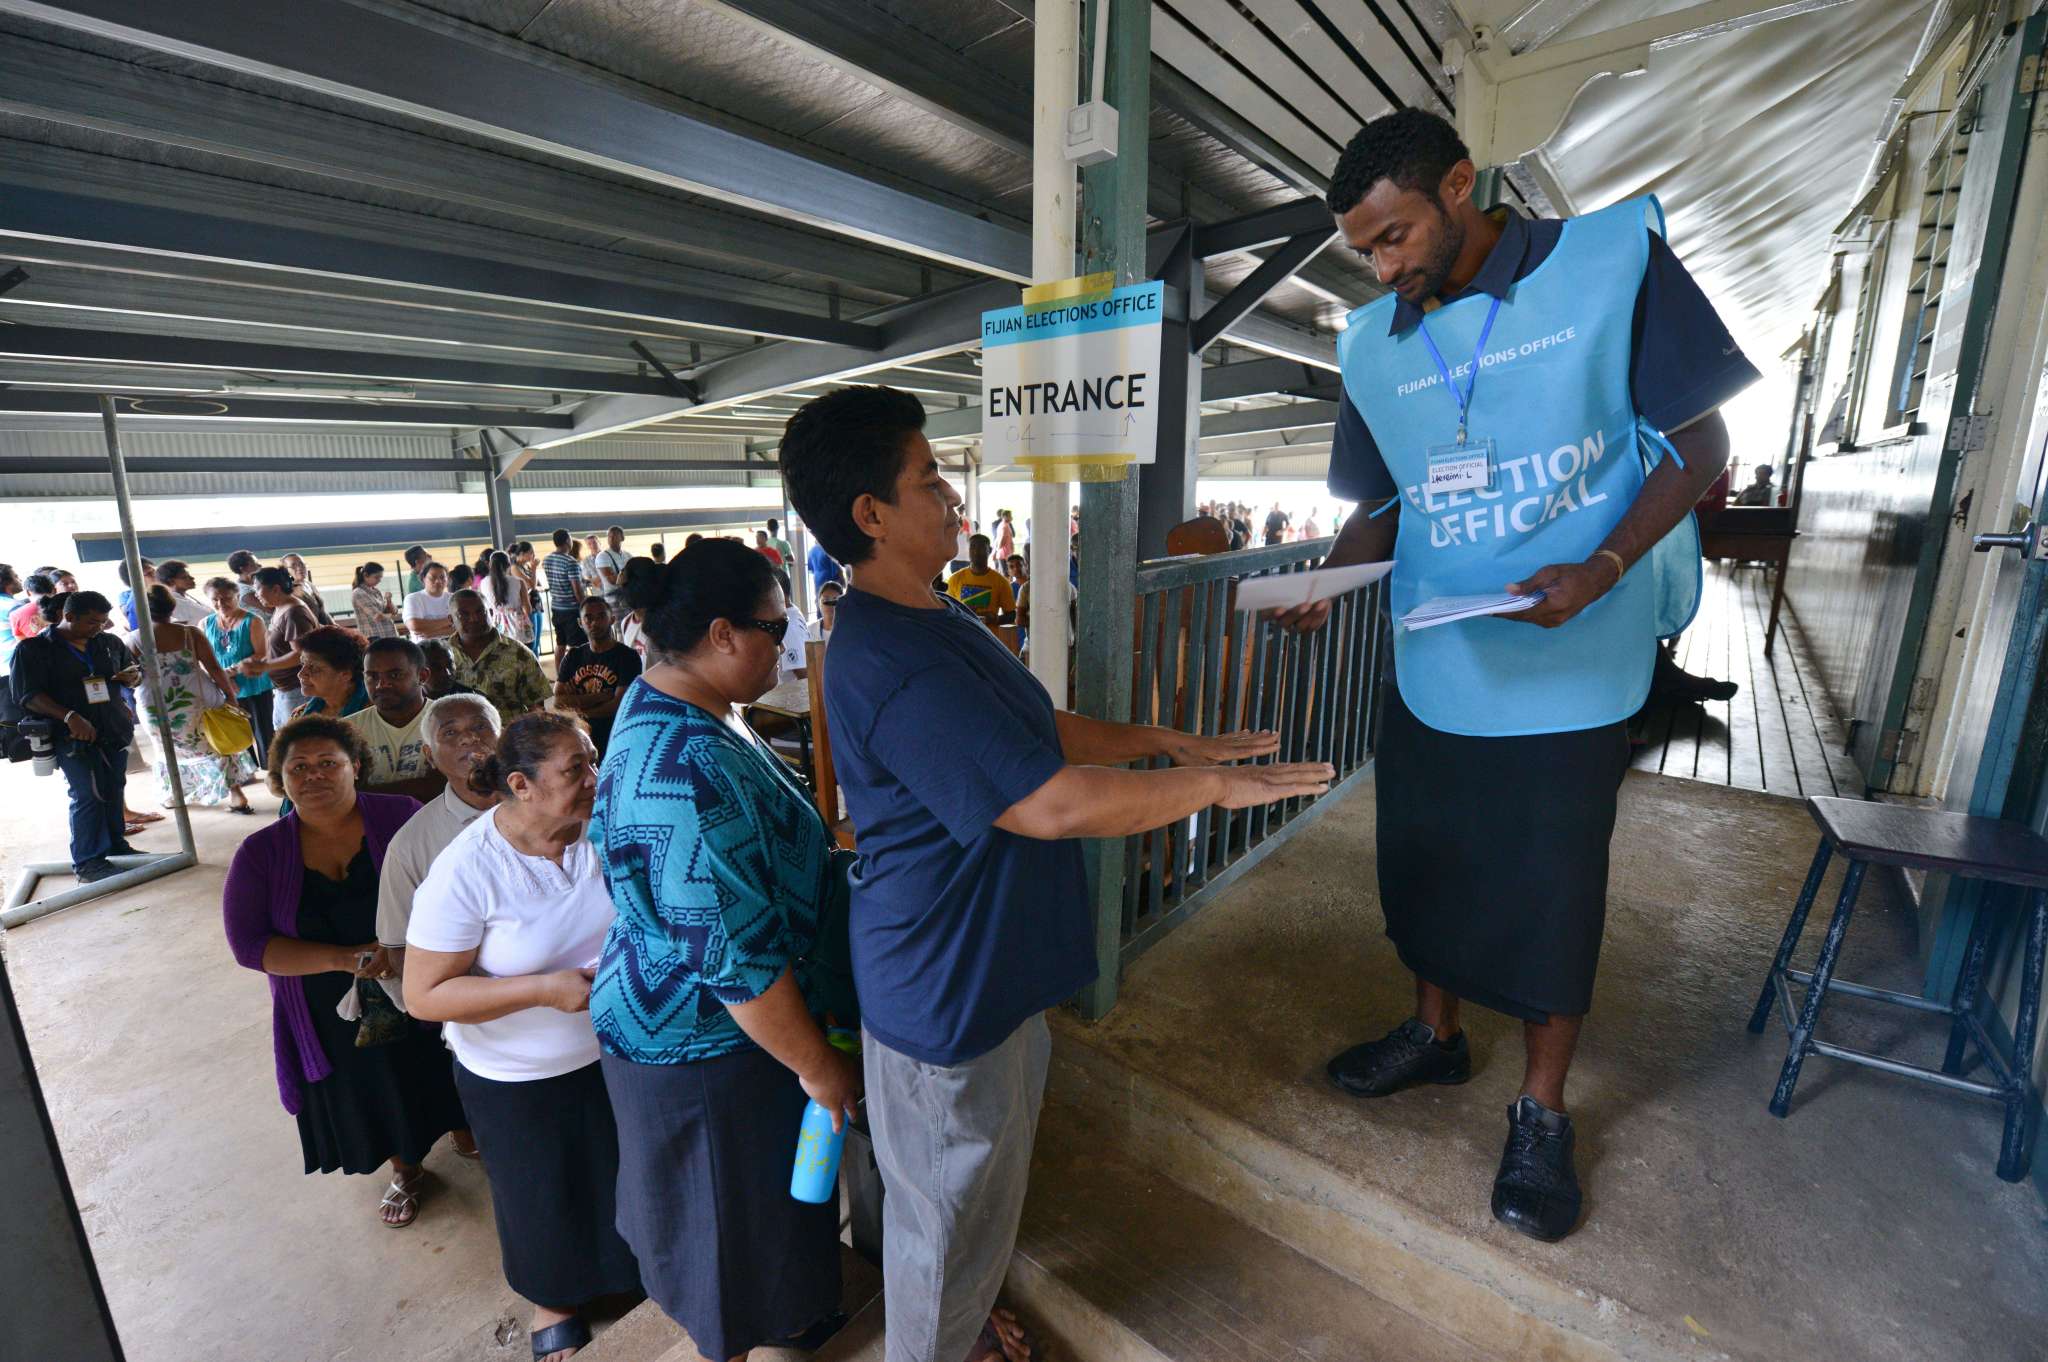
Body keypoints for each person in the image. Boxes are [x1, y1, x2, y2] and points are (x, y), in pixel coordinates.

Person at [1281, 109, 1757, 1243]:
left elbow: (1703, 449)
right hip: (1441, 652)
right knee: (1426, 856)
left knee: (1549, 883)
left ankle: (1540, 1111)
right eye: (1364, 252)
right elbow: (1387, 499)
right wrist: (1327, 579)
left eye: (1396, 236)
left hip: (1569, 651)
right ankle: (1433, 1034)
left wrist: (1600, 568)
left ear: (1458, 187)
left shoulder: (1606, 264)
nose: (1385, 268)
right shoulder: (1374, 341)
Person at [780, 384, 1330, 1362]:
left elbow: (1037, 732)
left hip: (991, 977)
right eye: (927, 481)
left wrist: (1163, 740)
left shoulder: (934, 616)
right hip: (942, 998)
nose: (952, 498)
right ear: (870, 515)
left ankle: (964, 1311)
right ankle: (933, 1346)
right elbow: (1047, 801)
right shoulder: (890, 660)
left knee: (979, 1194)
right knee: (937, 1223)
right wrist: (1203, 787)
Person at [588, 541, 850, 1358]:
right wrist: (817, 1065)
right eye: (777, 627)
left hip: (712, 1030)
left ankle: (786, 1319)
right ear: (723, 633)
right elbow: (735, 960)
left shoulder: (680, 707)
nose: (788, 643)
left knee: (758, 1214)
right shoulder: (687, 766)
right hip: (709, 1042)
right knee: (721, 1230)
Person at [404, 714, 642, 1362]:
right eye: (575, 769)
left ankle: (630, 1274)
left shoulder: (601, 829)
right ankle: (553, 1298)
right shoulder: (468, 871)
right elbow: (424, 995)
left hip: (619, 1047)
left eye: (592, 761)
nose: (594, 778)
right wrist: (542, 989)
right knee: (541, 1192)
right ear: (521, 784)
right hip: (517, 1075)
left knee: (620, 1170)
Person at [221, 716, 471, 1228]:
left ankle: (464, 1128)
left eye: (328, 764)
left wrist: (401, 950)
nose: (315, 776)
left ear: (355, 766)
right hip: (323, 1001)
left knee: (441, 1060)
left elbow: (453, 888)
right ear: (281, 778)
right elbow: (250, 946)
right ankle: (407, 1168)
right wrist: (345, 959)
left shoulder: (401, 815)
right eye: (299, 768)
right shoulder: (260, 853)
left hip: (413, 974)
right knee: (375, 1085)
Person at [10, 590, 143, 882]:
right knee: (87, 794)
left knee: (113, 788)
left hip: (112, 727)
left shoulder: (108, 643)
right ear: (68, 617)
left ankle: (116, 847)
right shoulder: (34, 650)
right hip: (71, 736)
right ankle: (88, 862)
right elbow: (28, 695)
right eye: (92, 622)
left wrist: (134, 677)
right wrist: (69, 716)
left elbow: (133, 671)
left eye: (104, 621)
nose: (99, 628)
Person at [375, 693, 502, 990]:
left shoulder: (548, 807)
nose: (469, 738)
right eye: (450, 732)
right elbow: (398, 949)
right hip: (480, 1017)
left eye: (481, 727)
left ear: (503, 738)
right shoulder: (410, 845)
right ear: (429, 755)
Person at [129, 586, 258, 814]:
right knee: (215, 744)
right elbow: (215, 669)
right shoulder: (190, 633)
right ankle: (236, 794)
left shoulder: (133, 639)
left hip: (156, 704)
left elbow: (130, 676)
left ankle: (174, 794)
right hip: (198, 700)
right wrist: (230, 696)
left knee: (166, 748)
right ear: (172, 607)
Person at [344, 638, 448, 801]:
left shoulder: (448, 719)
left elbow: (442, 788)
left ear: (422, 676)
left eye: (395, 675)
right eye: (372, 676)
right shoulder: (348, 729)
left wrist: (364, 793)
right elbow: (342, 793)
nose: (381, 685)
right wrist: (420, 786)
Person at [552, 596, 641, 760]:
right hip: (581, 739)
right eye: (589, 618)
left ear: (612, 619)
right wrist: (598, 697)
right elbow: (556, 701)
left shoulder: (628, 657)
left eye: (601, 616)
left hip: (615, 737)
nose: (594, 623)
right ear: (580, 623)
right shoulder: (573, 656)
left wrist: (576, 703)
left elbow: (616, 706)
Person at [204, 575, 278, 769]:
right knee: (232, 730)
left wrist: (231, 673)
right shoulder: (205, 624)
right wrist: (222, 679)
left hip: (254, 683)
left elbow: (261, 653)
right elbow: (204, 658)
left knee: (263, 731)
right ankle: (245, 771)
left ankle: (271, 770)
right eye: (215, 599)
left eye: (226, 598)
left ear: (237, 596)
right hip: (223, 686)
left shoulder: (253, 621)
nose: (221, 603)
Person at [448, 588, 549, 721]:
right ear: (451, 620)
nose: (474, 619)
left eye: (481, 612)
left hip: (508, 736)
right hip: (458, 738)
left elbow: (537, 707)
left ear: (490, 613)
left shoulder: (519, 653)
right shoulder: (444, 655)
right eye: (463, 615)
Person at [254, 566, 322, 729]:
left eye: (257, 589)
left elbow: (301, 655)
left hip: (297, 689)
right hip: (284, 689)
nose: (256, 595)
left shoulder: (294, 613)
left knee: (298, 737)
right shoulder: (280, 608)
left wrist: (265, 666)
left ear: (276, 589)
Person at [288, 625, 370, 721]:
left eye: (313, 668)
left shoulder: (374, 713)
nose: (300, 674)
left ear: (345, 675)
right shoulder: (300, 716)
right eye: (302, 663)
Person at [943, 533, 1016, 626]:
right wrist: (962, 613)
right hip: (961, 637)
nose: (976, 552)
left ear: (989, 550)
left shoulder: (1001, 581)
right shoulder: (955, 579)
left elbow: (1011, 615)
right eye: (972, 547)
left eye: (981, 548)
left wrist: (995, 619)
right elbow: (947, 612)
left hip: (987, 637)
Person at [541, 529, 588, 653]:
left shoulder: (547, 559)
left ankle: (560, 671)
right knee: (577, 646)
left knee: (560, 644)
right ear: (568, 540)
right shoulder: (571, 562)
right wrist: (585, 606)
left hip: (556, 608)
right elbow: (577, 591)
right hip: (571, 611)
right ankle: (576, 671)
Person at [479, 550, 533, 646]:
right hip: (517, 625)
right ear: (508, 565)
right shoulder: (519, 582)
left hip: (496, 624)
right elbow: (527, 609)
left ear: (490, 565)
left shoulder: (483, 583)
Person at [402, 562, 455, 641]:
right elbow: (414, 625)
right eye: (432, 577)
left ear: (447, 580)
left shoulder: (454, 598)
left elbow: (462, 627)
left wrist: (434, 633)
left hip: (452, 646)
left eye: (442, 577)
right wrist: (451, 620)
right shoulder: (413, 598)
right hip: (424, 648)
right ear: (423, 579)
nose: (438, 581)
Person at [351, 563, 402, 640]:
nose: (379, 581)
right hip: (374, 638)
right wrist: (391, 616)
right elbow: (377, 616)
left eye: (380, 577)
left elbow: (394, 611)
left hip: (389, 635)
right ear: (365, 575)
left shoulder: (376, 591)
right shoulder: (358, 593)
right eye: (376, 577)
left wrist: (389, 601)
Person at [281, 553, 334, 627]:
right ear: (286, 571)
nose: (299, 568)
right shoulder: (290, 592)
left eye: (302, 564)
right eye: (293, 566)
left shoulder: (309, 585)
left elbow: (323, 611)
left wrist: (335, 626)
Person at [592, 525, 629, 608]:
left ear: (622, 538)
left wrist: (624, 576)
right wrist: (631, 576)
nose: (611, 539)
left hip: (628, 599)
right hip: (614, 601)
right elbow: (613, 580)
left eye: (615, 536)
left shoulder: (628, 555)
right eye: (609, 536)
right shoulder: (603, 556)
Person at [115, 556, 157, 631]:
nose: (156, 575)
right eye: (149, 573)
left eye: (154, 570)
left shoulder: (160, 591)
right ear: (136, 580)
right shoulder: (137, 602)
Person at [806, 535, 843, 600]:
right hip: (829, 577)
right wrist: (843, 581)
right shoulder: (828, 550)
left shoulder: (811, 551)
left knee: (820, 598)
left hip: (817, 578)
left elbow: (811, 568)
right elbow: (836, 569)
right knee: (832, 600)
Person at [810, 580, 843, 645]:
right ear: (818, 603)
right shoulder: (810, 630)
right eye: (826, 600)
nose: (830, 605)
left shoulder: (849, 631)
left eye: (835, 600)